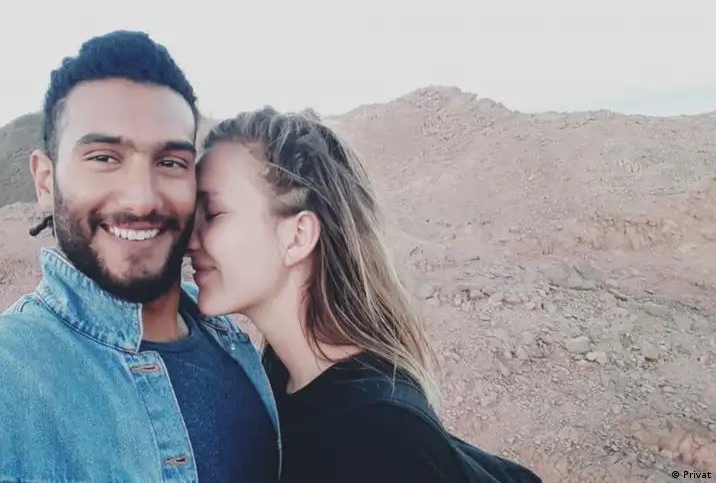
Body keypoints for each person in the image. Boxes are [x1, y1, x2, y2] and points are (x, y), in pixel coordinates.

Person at [0, 31, 280, 483]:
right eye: (105, 157)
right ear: (46, 181)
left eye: (170, 163)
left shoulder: (230, 335)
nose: (143, 199)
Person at [188, 107, 542, 482]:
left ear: (298, 237)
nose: (189, 241)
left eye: (211, 213)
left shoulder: (379, 440)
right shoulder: (284, 373)